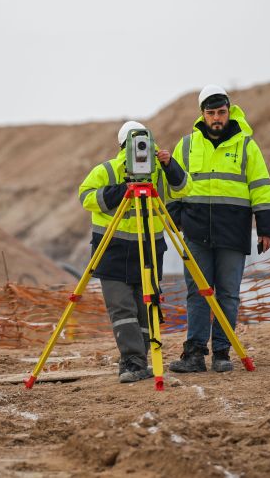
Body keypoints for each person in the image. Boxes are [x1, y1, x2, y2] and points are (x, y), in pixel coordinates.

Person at [167, 85, 270, 374]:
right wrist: (177, 218)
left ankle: (222, 353)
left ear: (229, 112)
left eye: (221, 112)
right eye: (211, 113)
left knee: (228, 294)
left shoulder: (246, 145)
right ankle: (194, 355)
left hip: (233, 232)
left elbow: (261, 188)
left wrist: (266, 227)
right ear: (202, 114)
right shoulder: (186, 145)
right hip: (196, 231)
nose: (217, 118)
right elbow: (174, 185)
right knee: (198, 293)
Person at [78, 120, 191, 383]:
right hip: (112, 250)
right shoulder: (107, 170)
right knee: (122, 309)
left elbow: (185, 189)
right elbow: (86, 197)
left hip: (149, 249)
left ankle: (139, 361)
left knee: (145, 308)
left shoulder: (158, 170)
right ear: (122, 146)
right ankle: (130, 361)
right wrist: (122, 190)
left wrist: (169, 165)